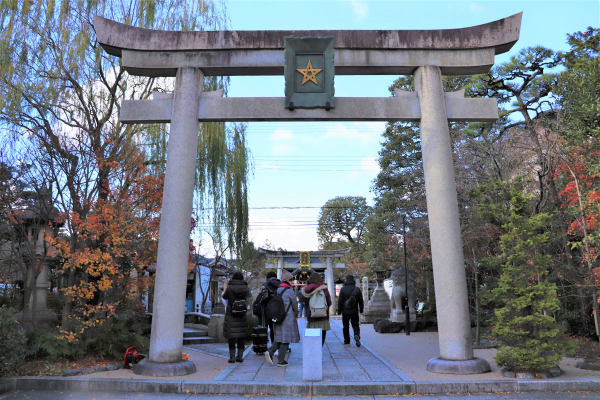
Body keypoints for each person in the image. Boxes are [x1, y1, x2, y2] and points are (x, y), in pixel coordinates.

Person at [265, 269, 299, 367]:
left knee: (279, 338)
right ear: (288, 280)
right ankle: (280, 360)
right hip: (287, 318)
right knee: (286, 339)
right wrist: (296, 314)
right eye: (291, 280)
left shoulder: (277, 290)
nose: (292, 282)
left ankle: (270, 351)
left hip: (277, 317)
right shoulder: (289, 291)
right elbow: (295, 305)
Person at [223, 271, 250, 363]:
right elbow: (249, 296)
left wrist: (226, 285)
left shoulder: (230, 288)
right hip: (242, 314)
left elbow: (224, 296)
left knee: (231, 336)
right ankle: (240, 357)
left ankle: (232, 357)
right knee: (241, 336)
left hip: (231, 314)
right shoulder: (245, 287)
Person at [301, 272, 332, 346]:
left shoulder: (306, 290)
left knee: (312, 336)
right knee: (322, 335)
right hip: (323, 316)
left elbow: (306, 304)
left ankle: (313, 351)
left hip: (312, 315)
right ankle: (319, 351)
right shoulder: (324, 288)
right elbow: (329, 302)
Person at [337, 274, 364, 347]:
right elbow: (361, 301)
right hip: (354, 310)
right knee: (355, 325)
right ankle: (356, 335)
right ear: (353, 280)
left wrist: (339, 311)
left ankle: (347, 341)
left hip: (345, 311)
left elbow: (340, 301)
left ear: (346, 280)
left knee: (345, 326)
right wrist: (361, 310)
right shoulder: (357, 289)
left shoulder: (343, 289)